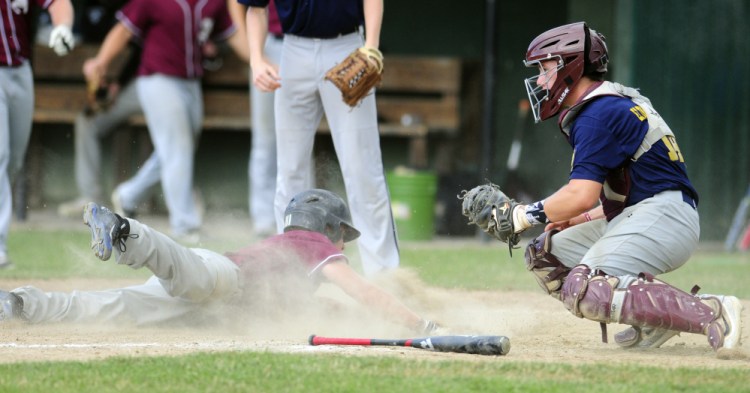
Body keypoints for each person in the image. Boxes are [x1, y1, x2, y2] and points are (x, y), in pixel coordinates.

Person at [462, 22, 742, 352]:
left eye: (545, 68)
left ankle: (712, 311)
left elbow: (580, 194)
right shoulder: (607, 101)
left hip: (666, 217)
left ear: (571, 67)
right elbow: (624, 191)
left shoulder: (598, 112)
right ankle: (653, 320)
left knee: (586, 288)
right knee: (545, 255)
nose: (539, 80)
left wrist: (521, 215)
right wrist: (578, 219)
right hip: (645, 211)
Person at [0, 189, 440, 337]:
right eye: (341, 233)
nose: (343, 244)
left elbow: (298, 308)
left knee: (111, 307)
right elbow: (362, 289)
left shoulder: (287, 249)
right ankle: (124, 229)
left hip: (209, 303)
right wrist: (420, 325)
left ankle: (21, 305)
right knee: (181, 268)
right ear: (325, 227)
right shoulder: (312, 244)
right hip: (221, 280)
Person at [241, 0, 400, 276]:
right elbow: (255, 8)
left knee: (363, 168)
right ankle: (290, 272)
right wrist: (256, 58)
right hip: (292, 50)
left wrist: (371, 47)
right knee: (290, 171)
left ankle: (384, 273)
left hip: (347, 46)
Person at [82, 0, 247, 243]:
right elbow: (123, 29)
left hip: (191, 82)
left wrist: (260, 61)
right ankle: (185, 225)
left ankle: (129, 195)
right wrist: (101, 62)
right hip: (158, 79)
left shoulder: (214, 2)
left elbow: (232, 35)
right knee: (177, 149)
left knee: (178, 150)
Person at [0, 0, 76, 269]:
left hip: (19, 70)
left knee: (13, 161)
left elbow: (58, 2)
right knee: (1, 154)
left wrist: (63, 27)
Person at [228, 0, 281, 237]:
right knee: (265, 137)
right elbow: (236, 5)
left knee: (300, 137)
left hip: (309, 43)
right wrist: (254, 53)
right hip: (270, 41)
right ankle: (263, 218)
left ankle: (302, 214)